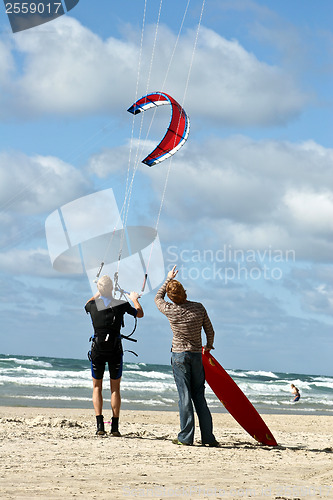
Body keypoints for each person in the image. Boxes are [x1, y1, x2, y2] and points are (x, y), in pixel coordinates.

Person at [155, 265, 219, 447]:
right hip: (197, 356)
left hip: (179, 356)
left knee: (184, 396)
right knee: (199, 396)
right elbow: (210, 330)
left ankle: (185, 437)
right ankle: (208, 438)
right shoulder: (198, 308)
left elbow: (157, 298)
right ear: (184, 291)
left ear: (171, 297)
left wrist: (167, 278)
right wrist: (209, 346)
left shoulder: (170, 309)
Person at [85, 275, 144, 436]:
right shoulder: (121, 304)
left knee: (97, 386)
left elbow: (87, 303)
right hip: (114, 350)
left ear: (98, 289)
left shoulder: (92, 305)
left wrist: (99, 292)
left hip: (97, 349)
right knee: (115, 389)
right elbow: (139, 313)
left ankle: (99, 426)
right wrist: (134, 298)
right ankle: (115, 427)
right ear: (111, 288)